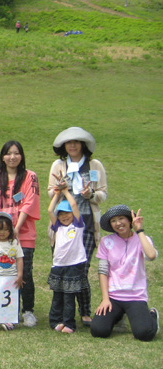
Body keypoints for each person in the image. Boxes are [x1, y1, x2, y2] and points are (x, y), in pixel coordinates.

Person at [48, 127, 107, 327]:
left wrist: (91, 194)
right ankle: (64, 314)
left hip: (86, 222)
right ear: (64, 146)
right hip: (62, 223)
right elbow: (50, 193)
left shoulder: (94, 165)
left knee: (81, 269)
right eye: (68, 142)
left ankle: (85, 311)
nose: (72, 145)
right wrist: (58, 189)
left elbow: (103, 193)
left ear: (83, 145)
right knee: (63, 270)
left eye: (76, 142)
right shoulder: (58, 165)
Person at [0, 140, 40, 327]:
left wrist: (16, 229)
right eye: (8, 153)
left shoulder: (30, 177)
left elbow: (29, 203)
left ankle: (28, 310)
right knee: (2, 272)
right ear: (2, 157)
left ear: (22, 156)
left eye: (16, 153)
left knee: (25, 273)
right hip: (0, 236)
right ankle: (7, 310)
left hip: (23, 234)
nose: (12, 157)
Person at [90, 206, 159, 342]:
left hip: (136, 297)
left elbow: (151, 255)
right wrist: (105, 299)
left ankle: (152, 315)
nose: (118, 223)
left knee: (144, 334)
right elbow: (103, 271)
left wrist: (139, 230)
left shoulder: (141, 239)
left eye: (121, 218)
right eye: (113, 221)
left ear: (129, 221)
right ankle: (118, 317)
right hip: (114, 296)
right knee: (98, 330)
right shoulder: (106, 241)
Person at [47, 189, 88, 334]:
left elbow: (74, 205)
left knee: (69, 296)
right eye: (61, 214)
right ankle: (55, 321)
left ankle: (69, 323)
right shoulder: (57, 227)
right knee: (57, 295)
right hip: (59, 265)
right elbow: (50, 211)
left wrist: (66, 191)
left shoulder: (77, 225)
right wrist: (57, 194)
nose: (64, 216)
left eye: (67, 213)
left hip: (74, 265)